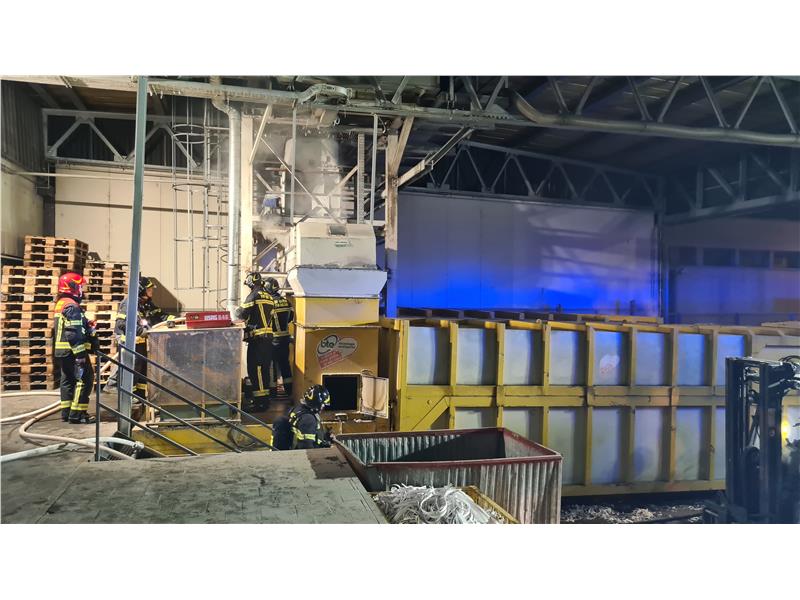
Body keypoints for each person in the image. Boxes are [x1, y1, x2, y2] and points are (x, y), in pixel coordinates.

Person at [105, 275, 173, 397]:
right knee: (131, 364)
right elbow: (122, 324)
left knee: (142, 366)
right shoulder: (129, 303)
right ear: (141, 290)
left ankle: (139, 395)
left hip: (140, 339)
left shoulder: (146, 303)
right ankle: (123, 391)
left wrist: (173, 320)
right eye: (149, 289)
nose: (151, 291)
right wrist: (141, 331)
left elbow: (160, 315)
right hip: (128, 340)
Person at [53, 272, 99, 424]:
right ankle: (78, 414)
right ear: (72, 287)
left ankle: (66, 413)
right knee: (85, 379)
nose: (81, 290)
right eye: (80, 287)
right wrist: (80, 355)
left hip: (63, 352)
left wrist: (85, 323)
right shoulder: (72, 306)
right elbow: (72, 333)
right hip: (73, 351)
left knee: (68, 380)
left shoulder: (61, 303)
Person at [234, 272, 275, 411]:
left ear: (251, 282)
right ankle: (264, 400)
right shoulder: (269, 296)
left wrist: (236, 310)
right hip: (268, 339)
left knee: (255, 370)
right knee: (264, 370)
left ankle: (260, 403)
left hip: (258, 339)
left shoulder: (254, 295)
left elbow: (241, 314)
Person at [271, 384, 332, 450]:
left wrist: (326, 437)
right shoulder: (308, 419)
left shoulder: (297, 409)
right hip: (305, 454)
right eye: (323, 404)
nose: (323, 407)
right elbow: (306, 446)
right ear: (317, 403)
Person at [265, 277, 294, 399]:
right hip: (285, 339)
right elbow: (291, 317)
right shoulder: (287, 302)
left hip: (273, 340)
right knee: (285, 364)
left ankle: (272, 392)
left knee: (272, 365)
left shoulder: (269, 303)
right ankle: (289, 391)